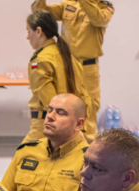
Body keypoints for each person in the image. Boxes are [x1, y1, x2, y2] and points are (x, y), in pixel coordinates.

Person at [32, 0, 115, 141]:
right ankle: (61, 148)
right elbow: (40, 11)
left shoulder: (104, 6)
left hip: (88, 68)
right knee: (62, 106)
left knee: (89, 108)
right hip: (67, 65)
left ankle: (87, 152)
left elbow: (99, 19)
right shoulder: (68, 4)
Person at [2, 93, 88, 191]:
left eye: (61, 113)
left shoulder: (88, 160)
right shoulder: (26, 151)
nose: (50, 116)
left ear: (78, 124)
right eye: (49, 110)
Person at [23, 11, 90, 143]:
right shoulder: (68, 56)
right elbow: (84, 94)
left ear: (38, 31)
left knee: (22, 160)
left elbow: (50, 102)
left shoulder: (39, 61)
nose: (27, 37)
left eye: (28, 31)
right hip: (71, 125)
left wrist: (56, 125)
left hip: (48, 126)